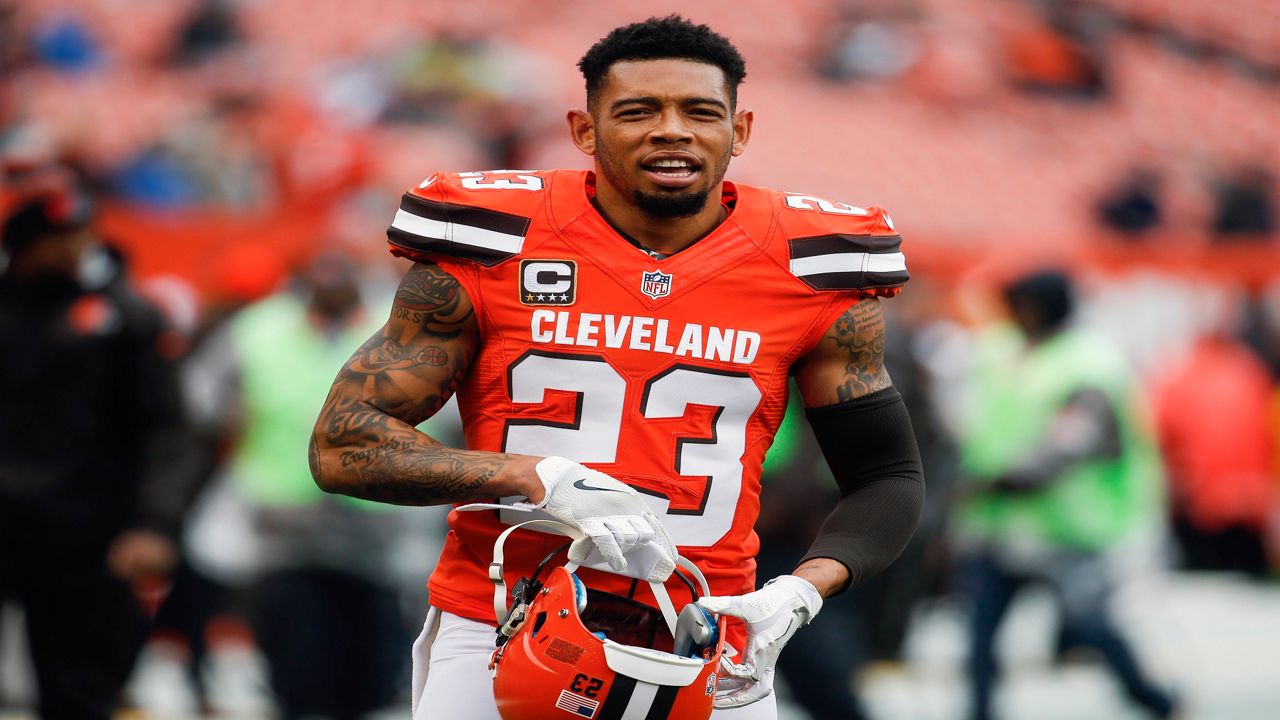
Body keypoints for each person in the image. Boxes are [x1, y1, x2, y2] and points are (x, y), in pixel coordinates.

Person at [310, 15, 925, 720]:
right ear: (584, 129)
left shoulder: (809, 268)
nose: (672, 130)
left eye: (700, 111)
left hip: (707, 633)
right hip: (501, 621)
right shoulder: (498, 240)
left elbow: (888, 477)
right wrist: (535, 477)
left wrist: (802, 590)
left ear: (740, 130)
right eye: (637, 111)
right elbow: (342, 444)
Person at [0, 171, 192, 718]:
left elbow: (166, 427)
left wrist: (153, 522)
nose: (76, 247)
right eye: (60, 237)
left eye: (82, 233)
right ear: (26, 244)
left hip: (86, 527)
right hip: (5, 517)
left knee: (79, 687)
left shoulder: (125, 316)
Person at [953, 270, 1177, 720]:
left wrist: (1004, 480)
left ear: (1034, 308)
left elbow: (1070, 442)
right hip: (1000, 522)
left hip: (1067, 525)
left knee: (1091, 624)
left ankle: (1156, 700)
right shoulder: (1008, 351)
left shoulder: (1087, 365)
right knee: (980, 635)